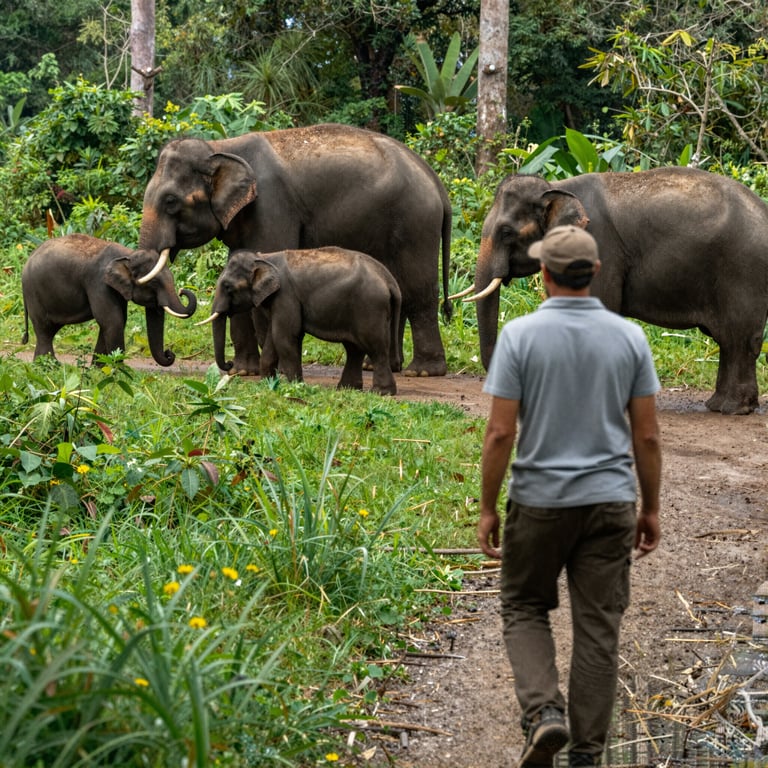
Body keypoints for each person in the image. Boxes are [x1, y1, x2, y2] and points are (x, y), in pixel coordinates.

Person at [476, 225, 662, 768]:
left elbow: (500, 433)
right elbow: (647, 435)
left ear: (543, 276)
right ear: (596, 273)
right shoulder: (630, 338)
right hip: (609, 503)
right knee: (598, 627)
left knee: (524, 605)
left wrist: (488, 507)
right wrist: (648, 507)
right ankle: (586, 754)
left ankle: (543, 714)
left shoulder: (519, 337)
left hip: (538, 501)